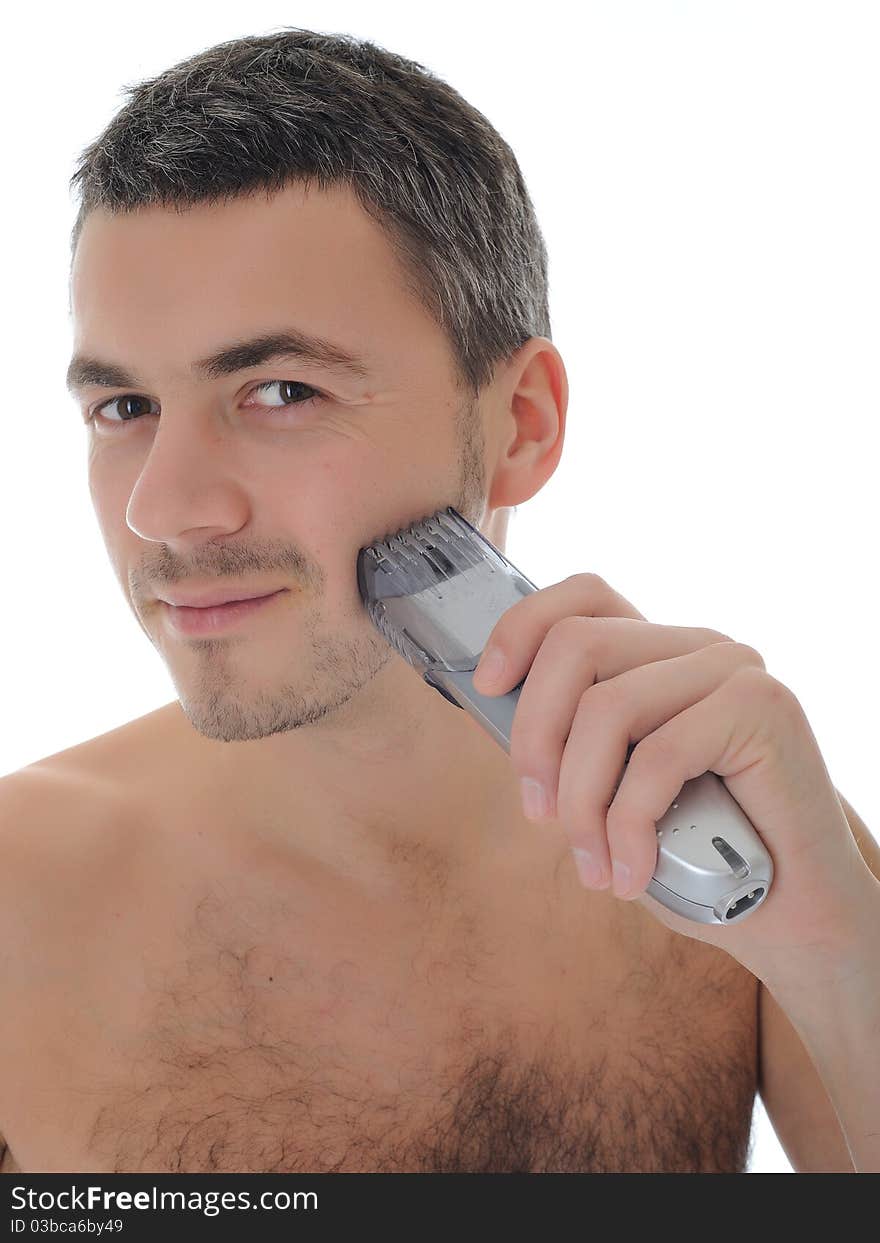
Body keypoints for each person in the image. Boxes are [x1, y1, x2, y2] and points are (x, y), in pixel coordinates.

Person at [0, 27, 874, 1174]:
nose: (165, 508)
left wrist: (833, 949)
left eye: (278, 390)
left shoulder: (726, 849)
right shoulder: (21, 908)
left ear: (520, 424)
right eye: (122, 409)